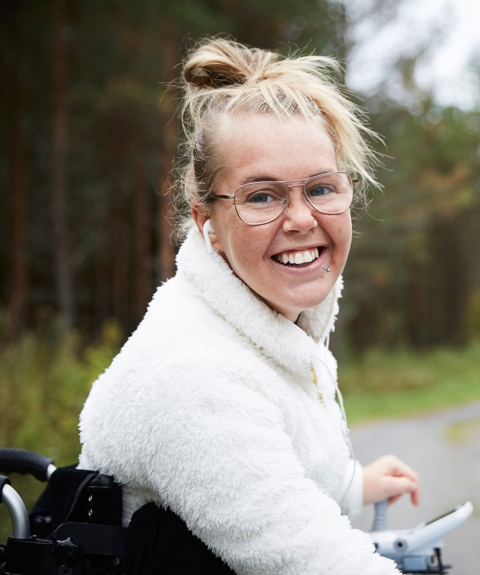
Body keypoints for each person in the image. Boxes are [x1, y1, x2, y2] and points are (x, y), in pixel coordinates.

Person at [78, 38, 420, 575]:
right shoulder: (192, 373)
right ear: (207, 224)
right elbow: (313, 561)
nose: (302, 220)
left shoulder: (265, 329)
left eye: (322, 188)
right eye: (262, 196)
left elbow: (268, 476)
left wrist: (357, 485)